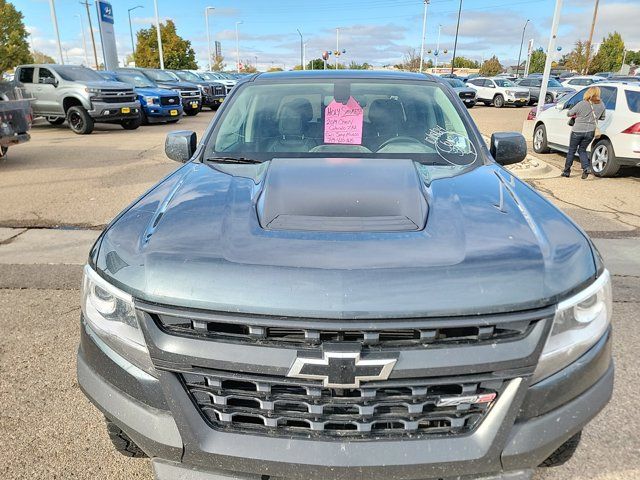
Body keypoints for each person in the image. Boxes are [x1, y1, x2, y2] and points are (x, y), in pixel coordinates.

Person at [562, 86, 606, 179]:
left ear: (588, 93)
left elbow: (569, 113)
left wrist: (578, 114)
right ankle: (586, 167)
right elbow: (602, 118)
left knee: (571, 150)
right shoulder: (602, 105)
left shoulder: (582, 103)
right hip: (590, 131)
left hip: (577, 130)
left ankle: (566, 171)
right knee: (582, 150)